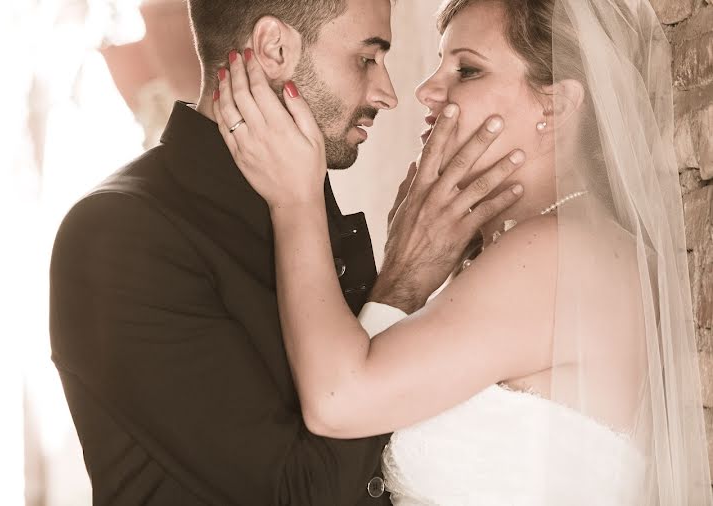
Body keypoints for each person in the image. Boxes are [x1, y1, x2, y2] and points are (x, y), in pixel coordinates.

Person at [213, 0, 713, 504]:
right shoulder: (541, 248)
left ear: (555, 107)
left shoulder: (555, 252)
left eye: (467, 70)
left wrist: (296, 201)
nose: (426, 89)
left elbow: (339, 401)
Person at [48, 0, 526, 504]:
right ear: (274, 49)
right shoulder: (121, 233)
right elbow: (304, 492)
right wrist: (403, 284)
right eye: (366, 58)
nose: (387, 94)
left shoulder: (301, 201)